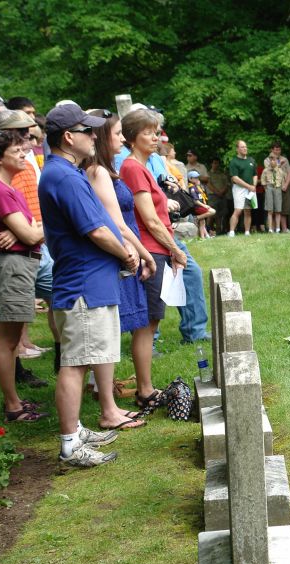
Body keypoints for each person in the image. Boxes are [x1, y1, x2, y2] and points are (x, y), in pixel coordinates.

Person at [39, 104, 139, 466]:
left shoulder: (67, 172)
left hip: (91, 283)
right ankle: (70, 444)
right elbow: (95, 230)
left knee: (80, 359)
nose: (94, 136)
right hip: (83, 286)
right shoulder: (63, 177)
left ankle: (77, 430)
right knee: (76, 363)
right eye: (87, 130)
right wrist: (126, 254)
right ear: (69, 137)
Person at [83, 108, 154, 430]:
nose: (123, 139)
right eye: (117, 134)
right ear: (101, 137)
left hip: (126, 251)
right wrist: (143, 254)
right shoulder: (98, 171)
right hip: (121, 253)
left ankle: (104, 389)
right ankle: (105, 399)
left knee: (111, 327)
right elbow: (117, 224)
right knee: (108, 329)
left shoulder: (105, 170)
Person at [118, 108, 187, 412]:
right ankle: (145, 391)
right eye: (148, 132)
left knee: (152, 321)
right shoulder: (133, 168)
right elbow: (150, 219)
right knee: (146, 324)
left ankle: (145, 386)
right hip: (151, 251)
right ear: (132, 137)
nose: (155, 137)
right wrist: (175, 249)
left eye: (156, 132)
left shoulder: (143, 167)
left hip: (157, 250)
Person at [0, 128, 47, 422]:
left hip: (19, 263)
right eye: (16, 151)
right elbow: (33, 233)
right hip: (12, 266)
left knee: (11, 340)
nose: (24, 154)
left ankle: (14, 401)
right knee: (7, 340)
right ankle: (13, 407)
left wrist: (25, 231)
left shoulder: (9, 188)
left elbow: (33, 228)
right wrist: (31, 230)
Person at [228, 140, 257, 236]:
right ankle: (231, 232)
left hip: (251, 189)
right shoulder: (234, 161)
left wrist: (253, 186)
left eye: (245, 146)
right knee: (238, 210)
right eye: (242, 147)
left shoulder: (251, 160)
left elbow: (255, 175)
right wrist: (249, 186)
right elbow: (235, 178)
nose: (245, 148)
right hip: (239, 189)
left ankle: (247, 232)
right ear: (237, 149)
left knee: (248, 210)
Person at [261, 142, 290, 233]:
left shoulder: (284, 160)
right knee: (270, 209)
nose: (278, 151)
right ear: (272, 150)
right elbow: (270, 170)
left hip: (281, 186)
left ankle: (281, 229)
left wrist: (285, 185)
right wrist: (279, 164)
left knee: (280, 209)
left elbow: (288, 173)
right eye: (276, 149)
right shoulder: (267, 160)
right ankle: (271, 228)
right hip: (270, 187)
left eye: (279, 149)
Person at [187, 170, 216, 237]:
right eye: (195, 178)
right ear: (190, 179)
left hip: (200, 206)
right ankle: (196, 218)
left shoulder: (197, 187)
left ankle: (204, 237)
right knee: (212, 211)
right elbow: (195, 201)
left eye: (198, 177)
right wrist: (204, 206)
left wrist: (198, 185)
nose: (197, 179)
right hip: (197, 207)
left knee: (202, 222)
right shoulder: (192, 188)